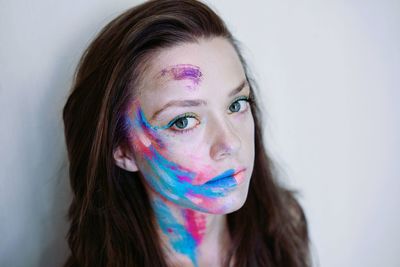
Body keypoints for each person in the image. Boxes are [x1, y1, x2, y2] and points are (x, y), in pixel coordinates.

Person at [62, 0, 310, 266]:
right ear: (122, 149)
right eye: (183, 122)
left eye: (236, 104)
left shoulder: (283, 227)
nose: (230, 142)